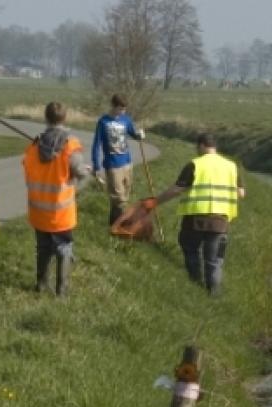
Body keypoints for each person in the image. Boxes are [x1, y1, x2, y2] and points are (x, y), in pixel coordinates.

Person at [142, 133, 245, 296]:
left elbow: (177, 189)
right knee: (214, 260)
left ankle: (194, 284)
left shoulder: (194, 164)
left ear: (202, 145)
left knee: (191, 251)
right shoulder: (231, 166)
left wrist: (155, 202)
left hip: (195, 219)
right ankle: (214, 293)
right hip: (221, 221)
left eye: (197, 147)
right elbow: (241, 193)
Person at [23, 101, 91, 296]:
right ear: (65, 118)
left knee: (43, 248)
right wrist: (86, 171)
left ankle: (41, 284)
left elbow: (27, 170)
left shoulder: (34, 146)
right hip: (61, 212)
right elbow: (79, 171)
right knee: (64, 248)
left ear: (46, 118)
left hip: (38, 210)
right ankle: (62, 290)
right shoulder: (70, 145)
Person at [91, 93, 145, 225]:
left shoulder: (126, 120)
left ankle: (114, 224)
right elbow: (96, 144)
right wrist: (97, 166)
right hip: (112, 165)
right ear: (113, 106)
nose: (122, 112)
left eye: (124, 109)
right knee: (119, 198)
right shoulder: (103, 122)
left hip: (127, 163)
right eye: (120, 109)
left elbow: (133, 134)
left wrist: (140, 135)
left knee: (124, 197)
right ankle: (119, 226)